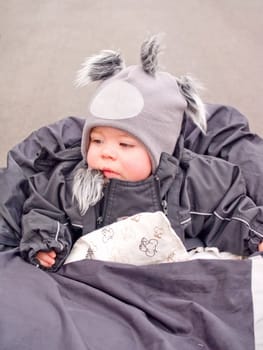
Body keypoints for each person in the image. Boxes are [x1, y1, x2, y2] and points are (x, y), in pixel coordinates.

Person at [17, 35, 263, 270]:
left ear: (160, 151)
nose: (107, 153)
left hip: (167, 278)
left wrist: (255, 235)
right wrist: (47, 241)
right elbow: (43, 208)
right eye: (97, 140)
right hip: (99, 280)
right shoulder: (70, 182)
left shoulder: (193, 183)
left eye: (125, 145)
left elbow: (230, 212)